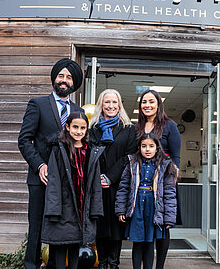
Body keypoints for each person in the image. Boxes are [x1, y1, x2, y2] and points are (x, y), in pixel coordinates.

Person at [18, 58, 84, 269]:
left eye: (69, 77)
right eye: (61, 76)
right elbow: (24, 140)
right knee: (36, 226)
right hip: (41, 179)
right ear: (54, 78)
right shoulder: (37, 104)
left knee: (59, 227)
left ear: (74, 83)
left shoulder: (77, 111)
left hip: (66, 182)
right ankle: (31, 265)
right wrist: (39, 165)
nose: (64, 80)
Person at [42, 112, 104, 269]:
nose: (79, 131)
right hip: (64, 206)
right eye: (75, 127)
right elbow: (53, 181)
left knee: (76, 245)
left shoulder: (91, 151)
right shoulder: (58, 149)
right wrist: (54, 209)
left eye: (83, 128)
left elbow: (96, 184)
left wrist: (95, 209)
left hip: (83, 207)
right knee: (61, 246)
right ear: (67, 127)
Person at [89, 89, 137, 269]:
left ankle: (114, 262)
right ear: (101, 104)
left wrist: (110, 177)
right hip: (96, 184)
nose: (110, 106)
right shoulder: (92, 130)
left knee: (117, 225)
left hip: (118, 185)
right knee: (100, 224)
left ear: (119, 105)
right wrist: (99, 177)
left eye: (114, 102)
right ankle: (101, 262)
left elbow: (129, 156)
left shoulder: (128, 129)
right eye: (107, 102)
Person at [115, 133, 178, 269]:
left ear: (157, 148)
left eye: (151, 146)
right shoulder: (132, 163)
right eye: (144, 146)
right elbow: (123, 188)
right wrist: (120, 210)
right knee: (137, 243)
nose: (147, 149)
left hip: (153, 208)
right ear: (139, 147)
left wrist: (169, 218)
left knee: (149, 242)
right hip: (136, 206)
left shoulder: (165, 166)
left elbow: (169, 194)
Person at [135, 89, 181, 268]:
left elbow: (176, 156)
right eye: (144, 102)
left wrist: (173, 177)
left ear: (158, 104)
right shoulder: (138, 126)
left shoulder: (170, 126)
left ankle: (159, 266)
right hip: (143, 183)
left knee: (163, 226)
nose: (147, 105)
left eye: (151, 102)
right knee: (146, 225)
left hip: (164, 181)